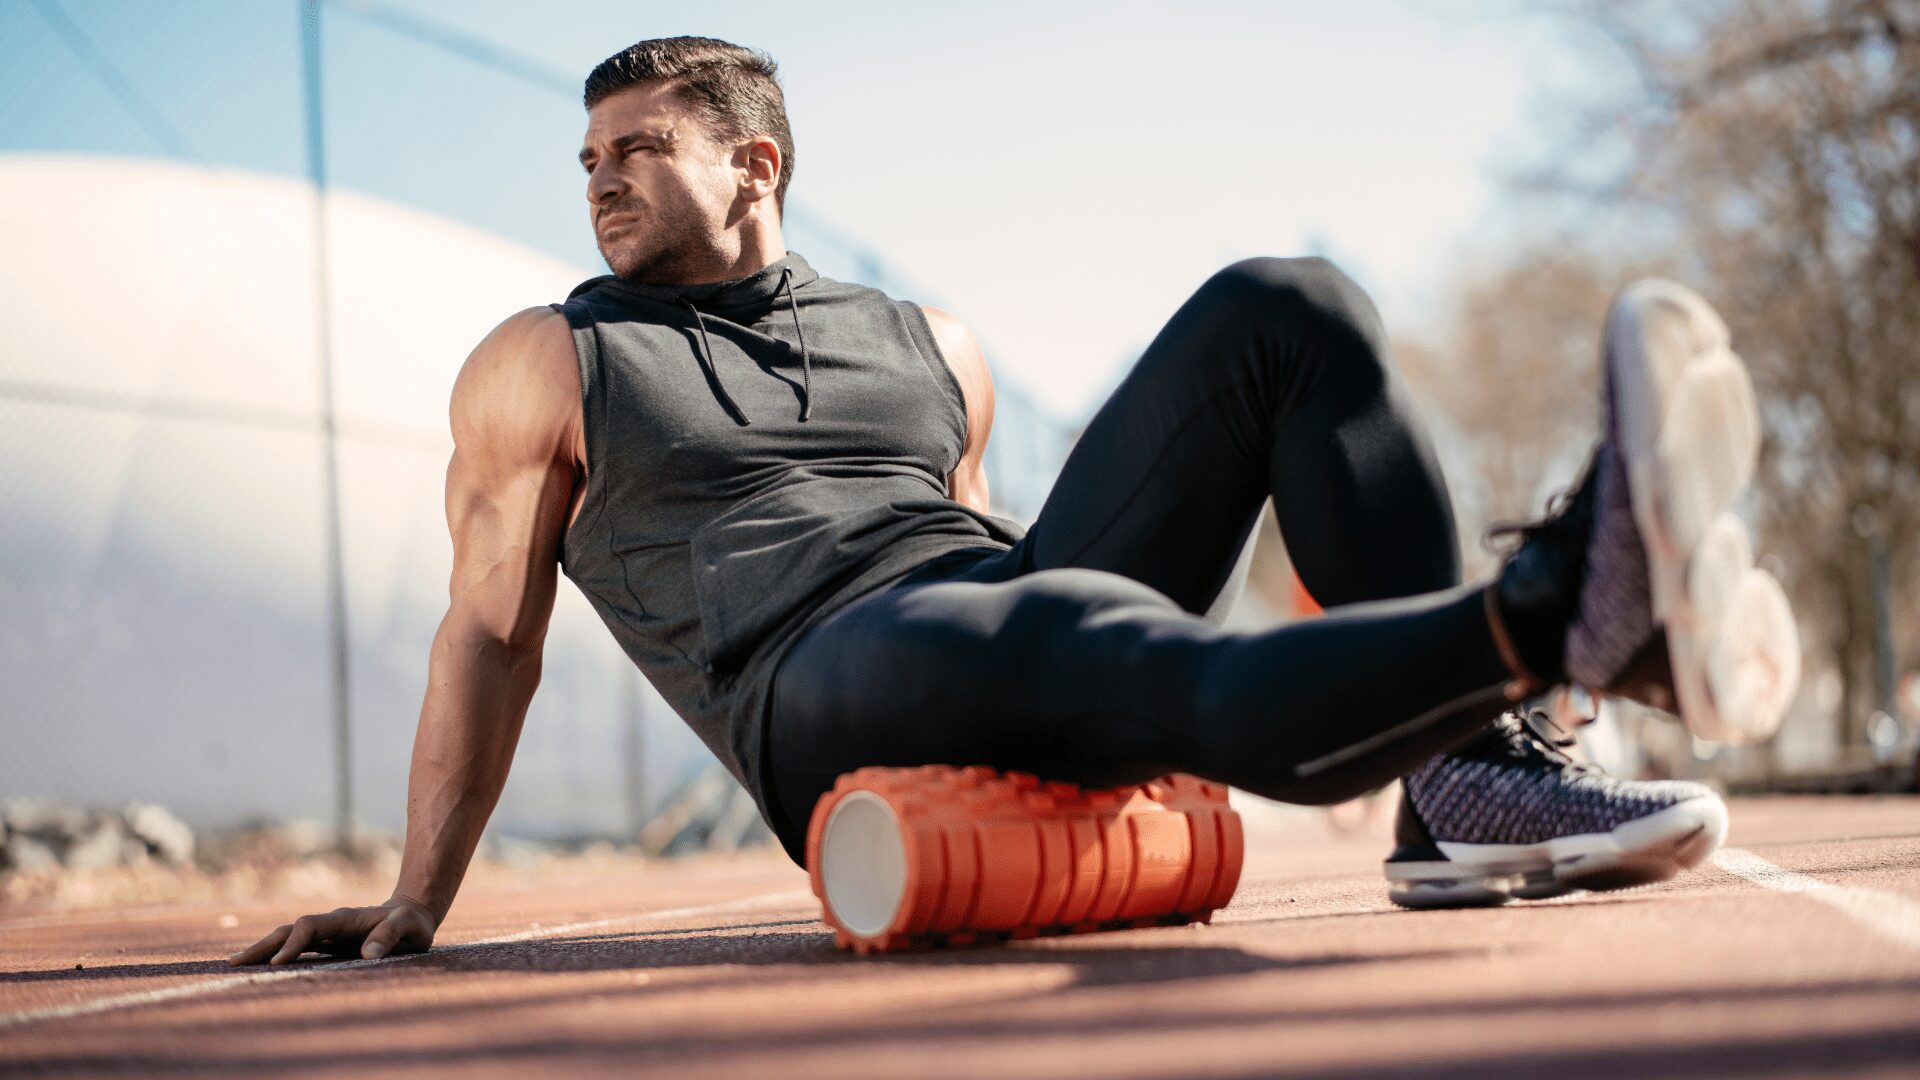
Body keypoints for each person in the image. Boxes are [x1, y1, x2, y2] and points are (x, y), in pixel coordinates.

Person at [229, 35, 1796, 966]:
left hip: (987, 603)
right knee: (1080, 642)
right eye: (589, 157)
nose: (599, 178)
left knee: (1289, 305)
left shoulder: (928, 342)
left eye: (639, 149)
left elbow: (992, 540)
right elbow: (489, 635)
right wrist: (417, 896)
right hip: (818, 678)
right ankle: (1563, 604)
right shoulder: (548, 361)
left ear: (755, 165)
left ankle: (1470, 778)